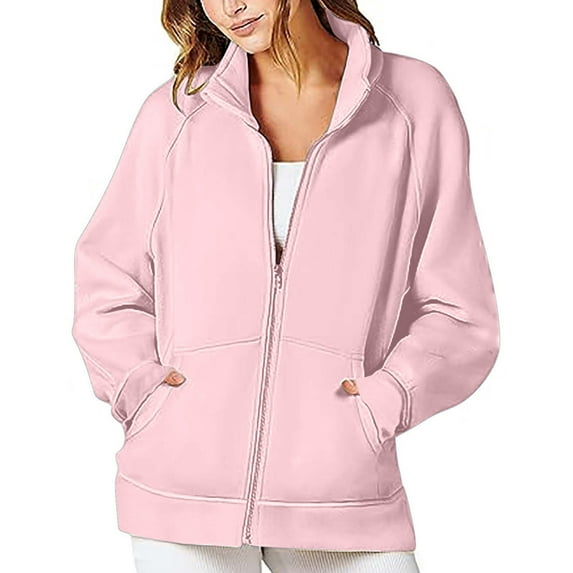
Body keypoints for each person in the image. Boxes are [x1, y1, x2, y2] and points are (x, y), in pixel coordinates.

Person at [71, 0, 500, 571]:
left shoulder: (411, 102)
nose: (229, 7)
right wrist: (144, 392)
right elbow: (108, 278)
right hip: (182, 491)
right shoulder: (178, 111)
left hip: (340, 491)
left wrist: (385, 401)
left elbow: (459, 310)